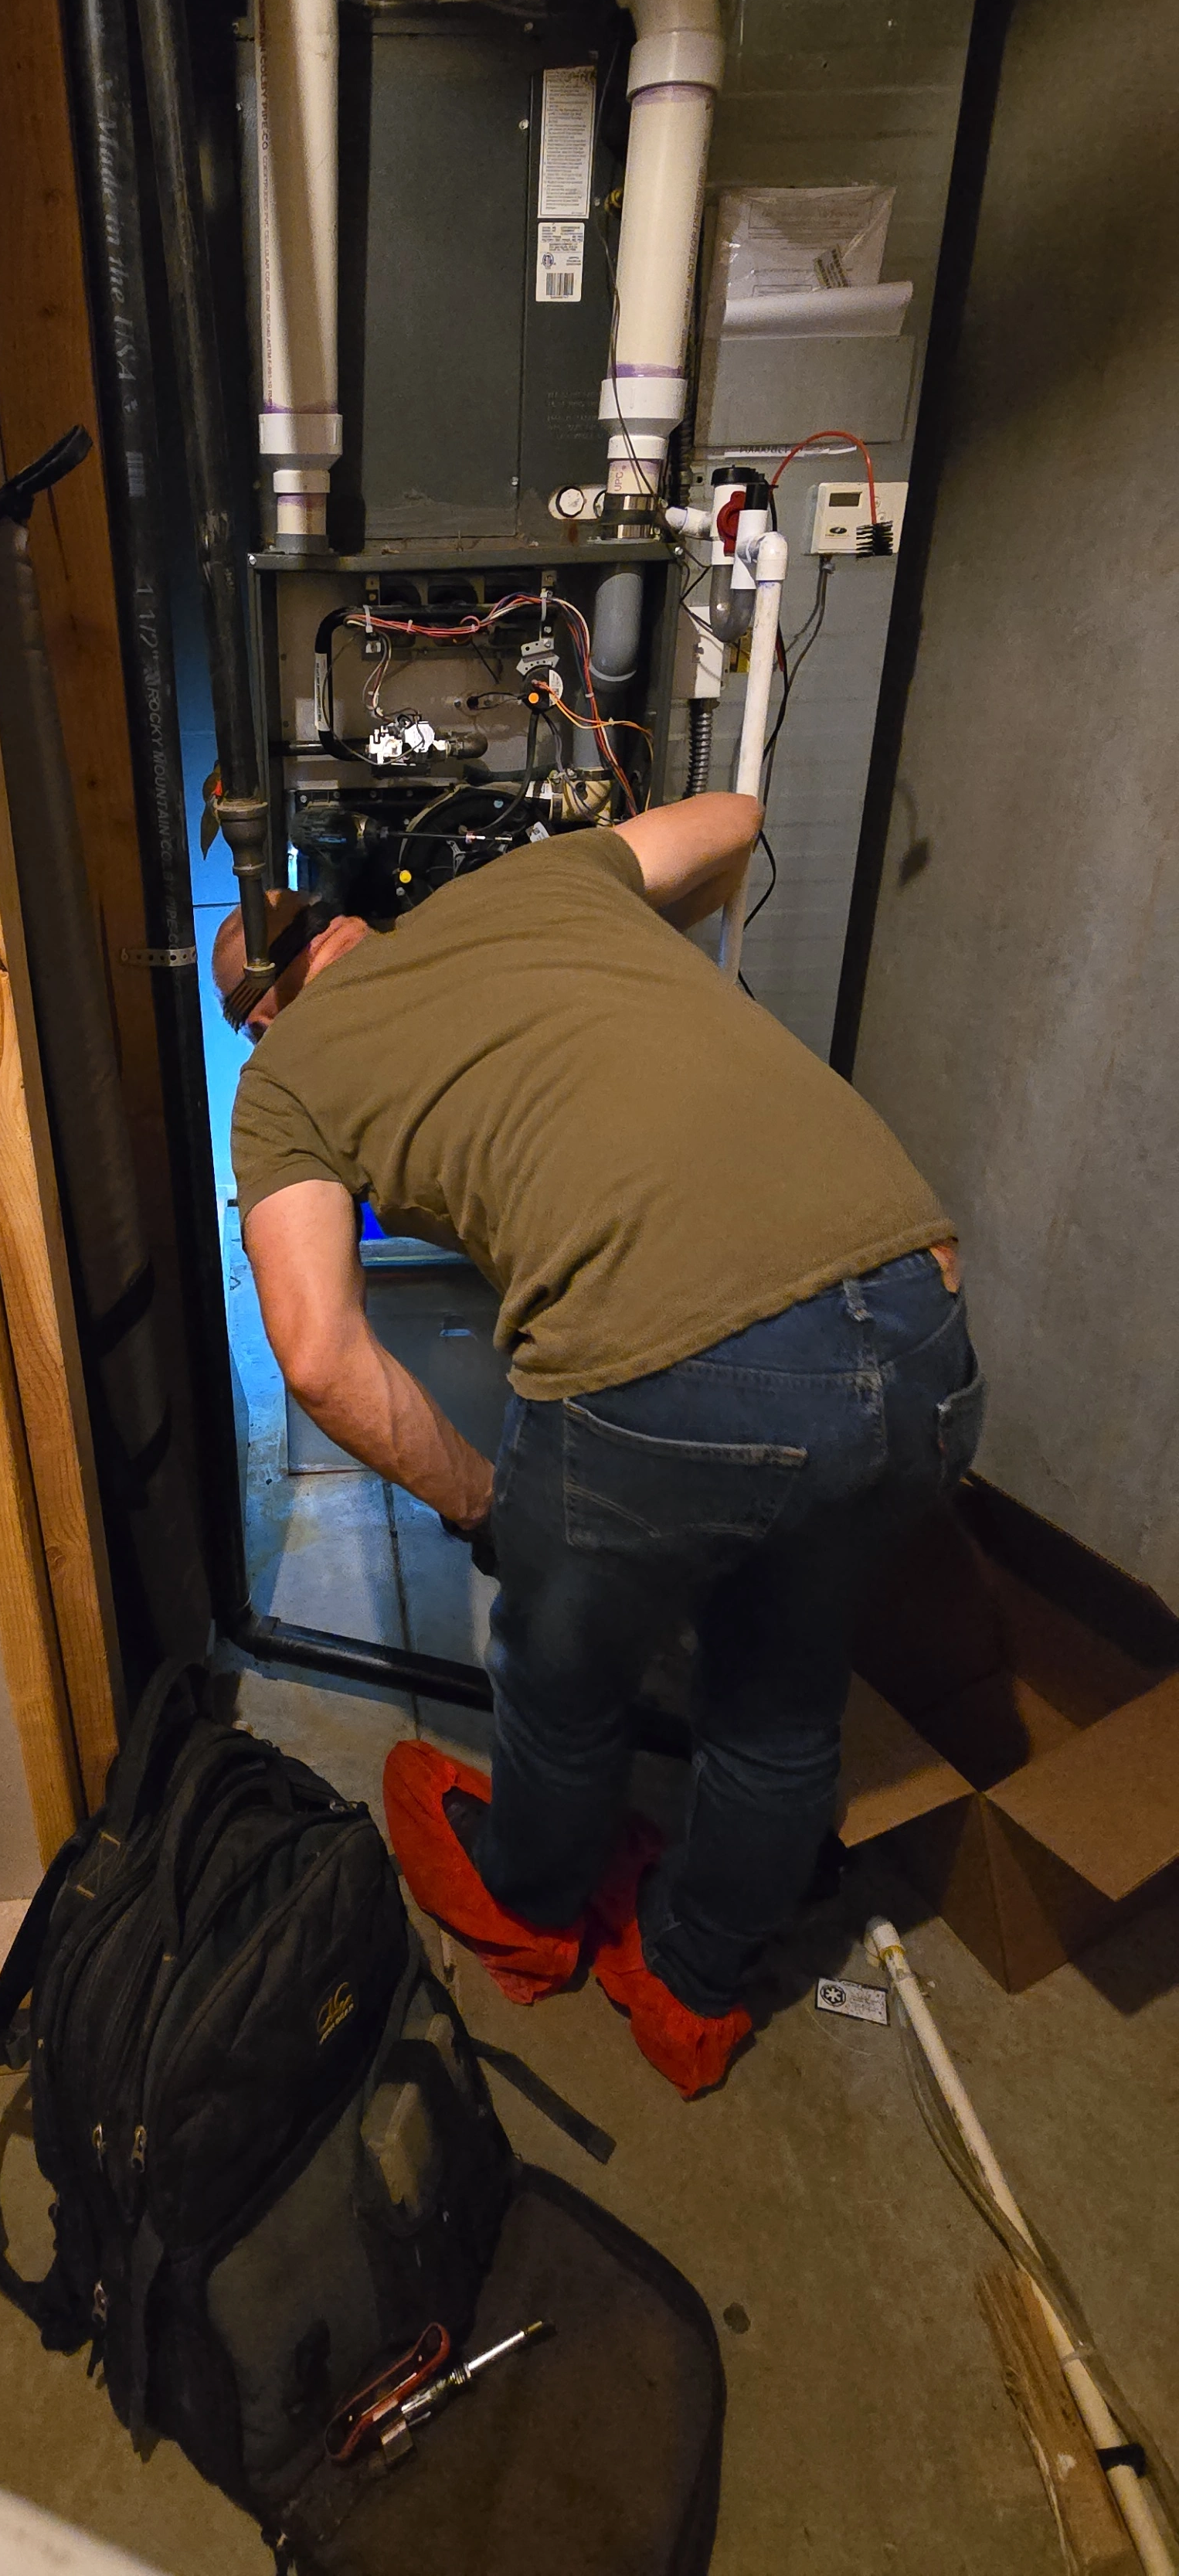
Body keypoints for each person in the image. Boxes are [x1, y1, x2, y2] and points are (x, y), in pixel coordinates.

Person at [215, 800, 983, 2096]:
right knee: (785, 1696)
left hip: (667, 1372)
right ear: (353, 927)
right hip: (924, 1331)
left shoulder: (282, 1078)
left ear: (265, 1013)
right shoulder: (546, 881)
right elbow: (739, 817)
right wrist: (618, 935)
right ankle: (694, 1988)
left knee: (563, 1679)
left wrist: (488, 1508)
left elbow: (318, 1357)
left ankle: (534, 1896)